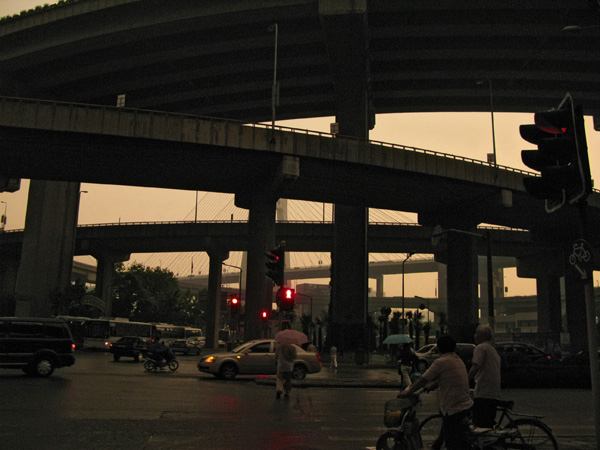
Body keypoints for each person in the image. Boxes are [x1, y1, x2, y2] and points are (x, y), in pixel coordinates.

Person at [399, 335, 473, 450]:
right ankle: (437, 445)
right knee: (454, 437)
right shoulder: (458, 360)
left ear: (439, 348)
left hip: (453, 409)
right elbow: (447, 378)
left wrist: (407, 392)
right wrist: (432, 386)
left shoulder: (441, 362)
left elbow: (422, 380)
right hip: (465, 406)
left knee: (451, 444)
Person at [468, 324, 501, 428]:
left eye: (476, 333)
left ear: (482, 336)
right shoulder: (492, 349)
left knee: (480, 423)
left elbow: (475, 367)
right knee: (488, 423)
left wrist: (465, 380)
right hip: (493, 392)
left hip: (483, 392)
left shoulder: (481, 348)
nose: (474, 335)